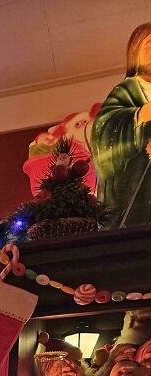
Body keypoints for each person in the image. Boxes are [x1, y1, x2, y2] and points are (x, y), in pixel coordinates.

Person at [91, 23, 151, 226]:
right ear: (135, 54)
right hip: (136, 191)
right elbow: (103, 131)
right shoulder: (127, 90)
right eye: (148, 45)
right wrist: (141, 116)